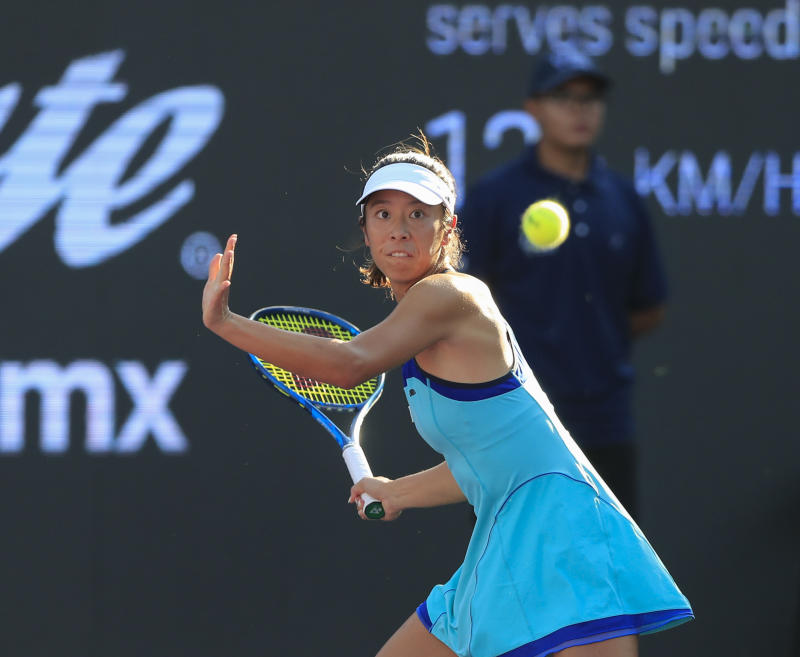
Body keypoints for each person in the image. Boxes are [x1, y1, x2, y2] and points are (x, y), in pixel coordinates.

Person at [201, 136, 692, 657]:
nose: (399, 228)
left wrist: (224, 322)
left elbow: (349, 365)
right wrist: (397, 492)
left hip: (564, 544)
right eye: (384, 213)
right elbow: (490, 458)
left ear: (447, 228)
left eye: (418, 213)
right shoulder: (422, 320)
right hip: (505, 543)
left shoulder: (449, 295)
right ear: (365, 230)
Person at [458, 50, 669, 518]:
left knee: (607, 574)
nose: (580, 110)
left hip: (605, 421)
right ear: (533, 108)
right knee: (521, 572)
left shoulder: (624, 200)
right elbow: (464, 302)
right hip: (516, 417)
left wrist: (587, 341)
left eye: (590, 99)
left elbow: (649, 307)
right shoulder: (495, 197)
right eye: (564, 97)